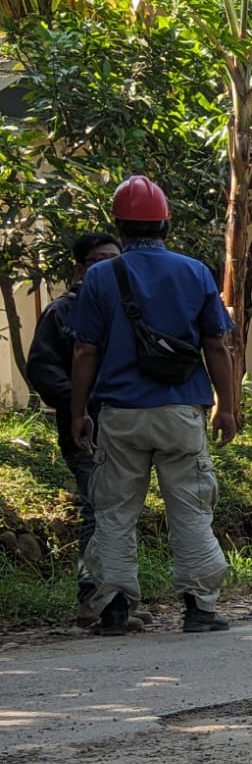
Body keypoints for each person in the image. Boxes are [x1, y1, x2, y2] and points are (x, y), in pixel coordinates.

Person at [68, 174, 237, 637]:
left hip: (119, 413)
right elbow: (217, 345)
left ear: (119, 226)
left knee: (115, 512)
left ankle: (115, 609)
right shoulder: (195, 271)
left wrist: (78, 412)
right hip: (181, 409)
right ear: (166, 224)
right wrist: (227, 406)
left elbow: (85, 351)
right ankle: (199, 609)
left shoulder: (100, 276)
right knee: (190, 508)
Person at [24, 232, 122, 605]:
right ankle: (92, 598)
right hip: (84, 430)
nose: (108, 266)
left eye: (115, 259)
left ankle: (116, 599)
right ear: (80, 266)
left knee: (118, 513)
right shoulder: (62, 312)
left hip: (124, 428)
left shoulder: (122, 309)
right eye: (99, 260)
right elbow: (43, 368)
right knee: (97, 510)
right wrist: (81, 402)